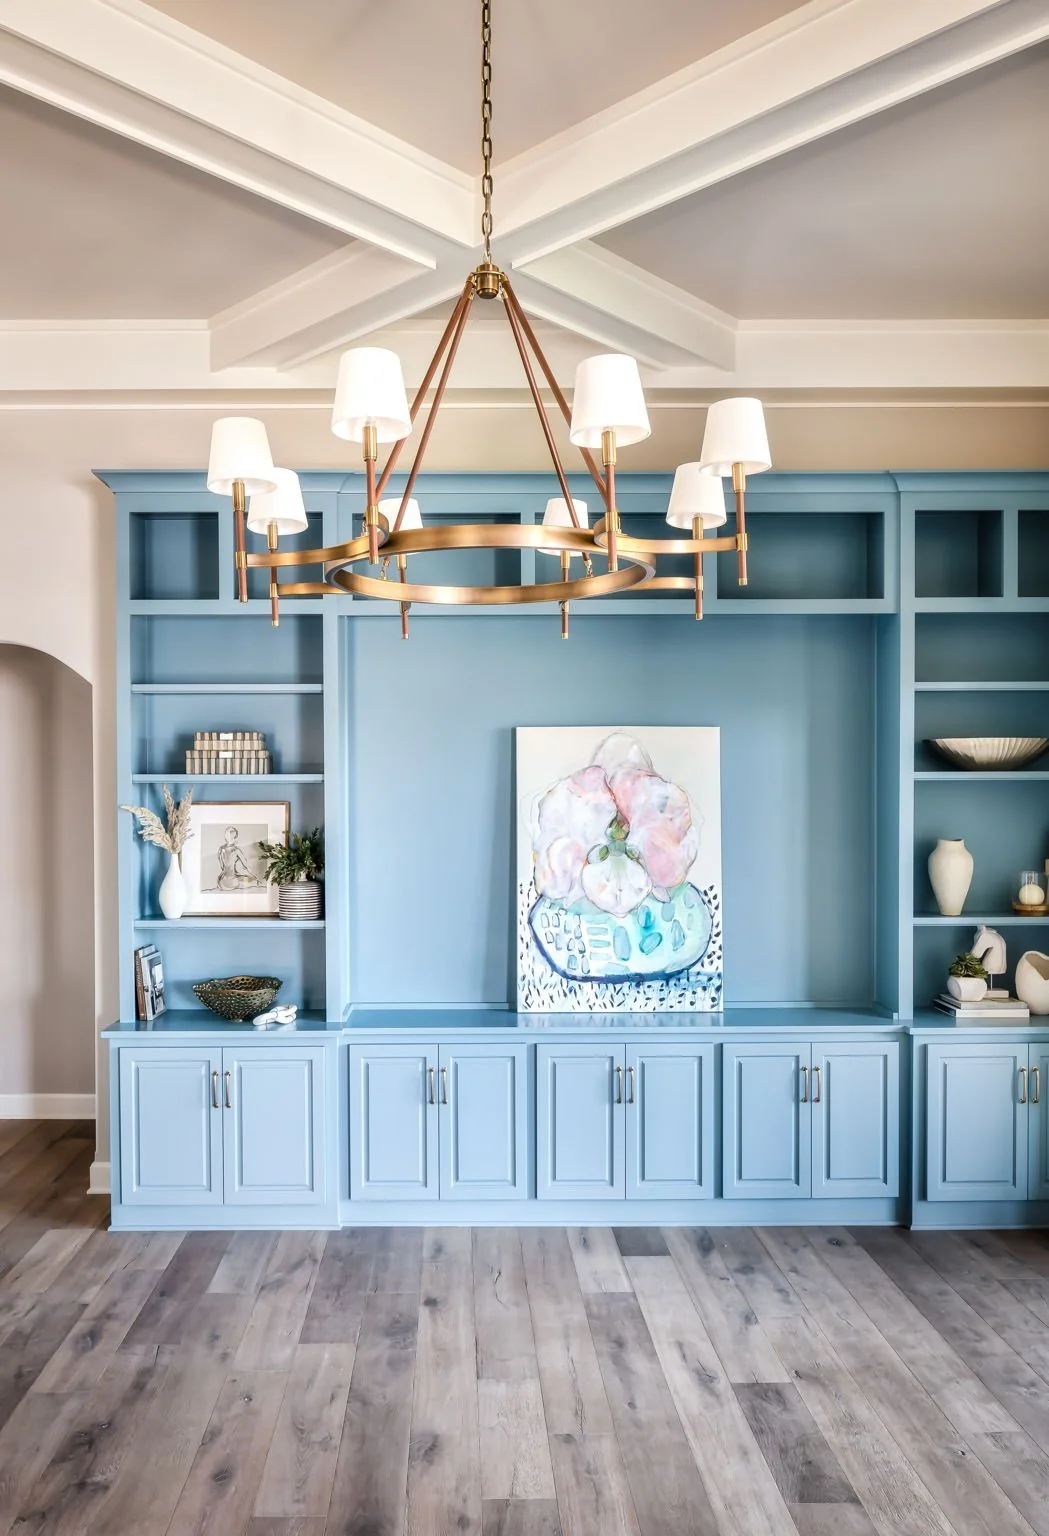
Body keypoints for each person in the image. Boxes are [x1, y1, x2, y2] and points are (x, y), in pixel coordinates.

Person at [213, 826, 262, 891]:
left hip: (220, 882)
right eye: (237, 837)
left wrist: (235, 873)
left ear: (226, 837)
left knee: (238, 876)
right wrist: (255, 877)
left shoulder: (221, 849)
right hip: (231, 883)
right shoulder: (236, 850)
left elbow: (222, 867)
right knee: (252, 881)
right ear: (235, 838)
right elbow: (246, 867)